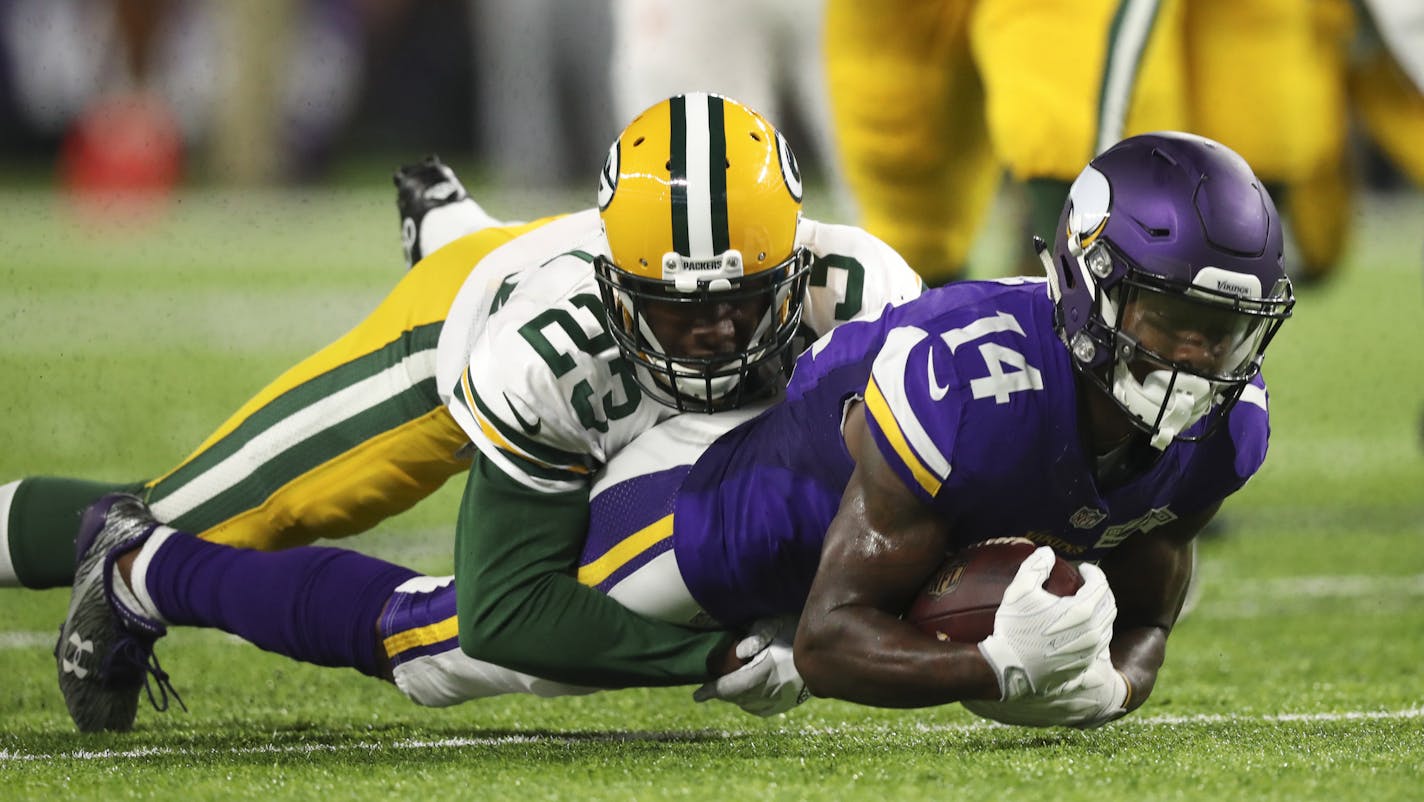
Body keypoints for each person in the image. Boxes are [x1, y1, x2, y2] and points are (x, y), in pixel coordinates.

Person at [58, 132, 1294, 733]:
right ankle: (144, 565)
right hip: (713, 516)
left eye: (1223, 331)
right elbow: (824, 633)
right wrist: (982, 669)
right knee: (435, 646)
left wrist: (1103, 691)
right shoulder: (963, 386)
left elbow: (1147, 604)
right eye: (1170, 318)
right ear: (1084, 286)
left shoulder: (1223, 425)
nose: (1195, 358)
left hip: (799, 435)